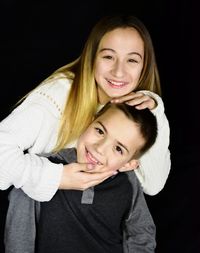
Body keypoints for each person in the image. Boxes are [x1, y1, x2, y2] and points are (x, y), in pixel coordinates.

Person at [0, 14, 170, 202]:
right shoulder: (58, 95)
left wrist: (155, 111)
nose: (119, 71)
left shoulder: (137, 111)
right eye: (108, 56)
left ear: (144, 67)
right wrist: (57, 177)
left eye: (132, 60)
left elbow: (154, 185)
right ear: (92, 58)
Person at [5, 102, 158, 253]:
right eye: (100, 131)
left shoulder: (128, 183)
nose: (99, 148)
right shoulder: (41, 168)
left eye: (118, 149)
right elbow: (19, 234)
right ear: (89, 122)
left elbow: (142, 231)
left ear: (128, 164)